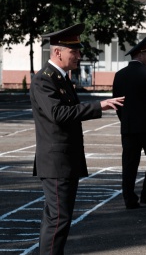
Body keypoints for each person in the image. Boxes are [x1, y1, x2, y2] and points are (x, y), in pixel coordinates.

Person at [30, 23, 125, 254]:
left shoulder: (62, 79)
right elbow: (58, 114)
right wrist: (98, 106)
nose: (79, 56)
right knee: (58, 219)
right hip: (56, 163)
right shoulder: (44, 79)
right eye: (74, 51)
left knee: (57, 218)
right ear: (57, 52)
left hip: (65, 161)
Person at [112, 37, 146, 209]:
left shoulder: (119, 75)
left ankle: (129, 198)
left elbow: (117, 103)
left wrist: (125, 121)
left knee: (129, 164)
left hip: (128, 128)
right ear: (141, 54)